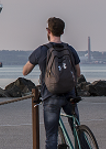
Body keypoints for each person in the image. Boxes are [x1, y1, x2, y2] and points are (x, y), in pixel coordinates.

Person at [23, 17, 81, 149]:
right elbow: (78, 73)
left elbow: (25, 72)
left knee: (51, 136)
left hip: (51, 96)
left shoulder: (42, 50)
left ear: (48, 31)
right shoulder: (70, 49)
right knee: (77, 130)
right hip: (70, 94)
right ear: (63, 31)